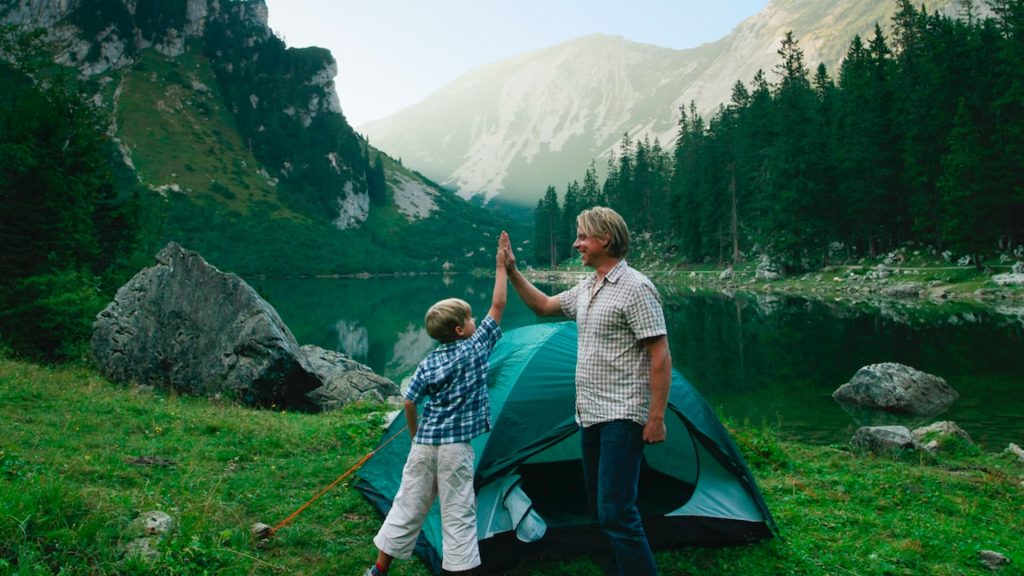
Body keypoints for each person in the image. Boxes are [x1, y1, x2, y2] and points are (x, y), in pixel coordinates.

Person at [501, 207, 670, 576]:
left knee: (617, 510)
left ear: (604, 239)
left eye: (582, 236)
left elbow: (660, 356)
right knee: (601, 506)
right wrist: (513, 272)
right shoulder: (588, 287)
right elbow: (543, 307)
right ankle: (619, 567)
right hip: (589, 414)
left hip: (622, 416)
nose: (576, 243)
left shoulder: (637, 288)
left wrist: (655, 417)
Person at [364, 232, 510, 576]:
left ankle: (379, 569)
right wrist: (501, 266)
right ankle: (457, 571)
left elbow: (410, 400)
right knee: (458, 508)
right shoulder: (475, 349)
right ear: (461, 330)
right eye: (471, 319)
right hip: (455, 450)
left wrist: (415, 436)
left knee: (409, 503)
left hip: (426, 445)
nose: (477, 322)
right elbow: (499, 306)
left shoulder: (429, 362)